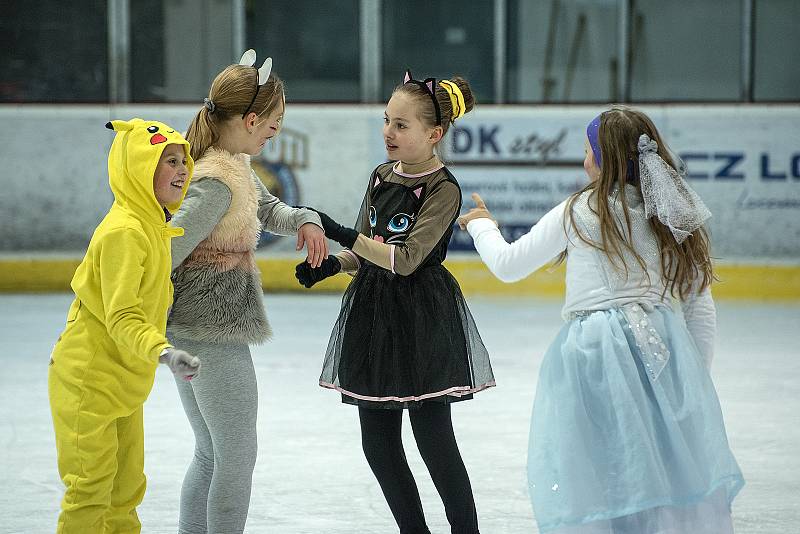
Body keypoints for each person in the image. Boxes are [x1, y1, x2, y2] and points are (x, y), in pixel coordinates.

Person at [458, 105, 744, 533]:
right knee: (660, 461)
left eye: (588, 151)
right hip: (665, 355)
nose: (583, 160)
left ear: (603, 159)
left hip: (595, 355)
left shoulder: (579, 210)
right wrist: (693, 380)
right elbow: (700, 306)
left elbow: (508, 264)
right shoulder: (672, 213)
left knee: (603, 463)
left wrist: (482, 225)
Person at [295, 70, 494, 534]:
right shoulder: (381, 175)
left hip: (423, 316)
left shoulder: (444, 189)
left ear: (434, 134)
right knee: (378, 443)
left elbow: (403, 259)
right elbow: (368, 249)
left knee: (434, 440)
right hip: (372, 314)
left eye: (402, 125)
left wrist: (346, 235)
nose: (388, 132)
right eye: (387, 120)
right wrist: (332, 265)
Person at [166, 50, 327, 534]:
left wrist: (304, 218)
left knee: (213, 453)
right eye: (273, 124)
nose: (275, 132)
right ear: (251, 118)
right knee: (235, 455)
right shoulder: (215, 181)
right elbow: (164, 253)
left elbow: (267, 207)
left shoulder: (229, 163)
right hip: (209, 331)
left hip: (197, 329)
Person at [48, 118, 201, 533]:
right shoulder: (124, 233)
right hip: (88, 380)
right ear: (138, 167)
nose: (182, 170)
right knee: (90, 489)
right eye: (169, 161)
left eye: (182, 160)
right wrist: (164, 352)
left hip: (124, 381)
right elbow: (123, 316)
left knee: (126, 489)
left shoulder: (154, 227)